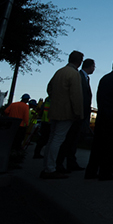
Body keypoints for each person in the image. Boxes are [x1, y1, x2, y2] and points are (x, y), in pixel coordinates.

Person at [40, 51, 84, 179]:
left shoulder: (59, 72)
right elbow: (76, 96)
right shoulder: (74, 74)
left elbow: (49, 88)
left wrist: (57, 98)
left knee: (52, 139)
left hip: (54, 111)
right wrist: (78, 113)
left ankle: (47, 166)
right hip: (66, 113)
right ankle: (51, 169)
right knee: (58, 139)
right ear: (80, 61)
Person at [85, 58, 113, 181]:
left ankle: (91, 171)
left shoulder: (104, 78)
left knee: (98, 145)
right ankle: (106, 172)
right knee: (110, 146)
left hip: (103, 115)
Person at [56, 58, 95, 172]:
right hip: (77, 114)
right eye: (93, 67)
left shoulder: (83, 77)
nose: (94, 69)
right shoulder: (79, 77)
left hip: (80, 114)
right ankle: (61, 163)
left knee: (73, 139)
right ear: (90, 66)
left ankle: (70, 162)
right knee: (69, 139)